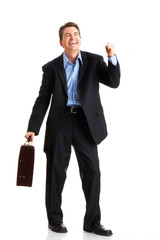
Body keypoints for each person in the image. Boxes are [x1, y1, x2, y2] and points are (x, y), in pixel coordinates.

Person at [25, 22, 120, 236]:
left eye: (76, 34)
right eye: (67, 35)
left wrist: (112, 57)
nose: (72, 38)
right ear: (61, 42)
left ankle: (92, 222)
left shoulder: (95, 61)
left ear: (80, 39)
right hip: (60, 123)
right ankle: (54, 220)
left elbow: (114, 82)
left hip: (86, 123)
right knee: (56, 172)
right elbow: (42, 100)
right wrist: (33, 128)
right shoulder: (51, 68)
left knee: (93, 171)